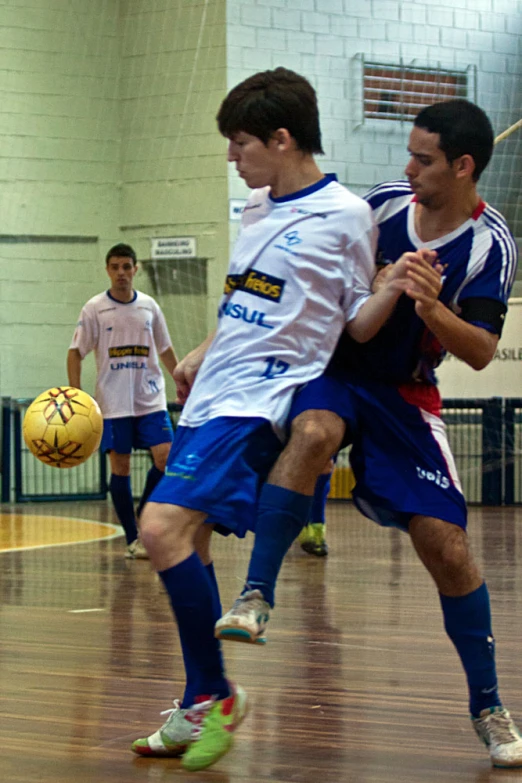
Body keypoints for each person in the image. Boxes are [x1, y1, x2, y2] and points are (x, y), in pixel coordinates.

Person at [214, 99, 522, 769]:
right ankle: (256, 593)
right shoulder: (376, 209)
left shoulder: (491, 243)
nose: (406, 168)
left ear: (464, 166)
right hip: (336, 367)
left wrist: (430, 306)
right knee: (316, 429)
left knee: (448, 546)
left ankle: (490, 705)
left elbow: (478, 351)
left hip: (406, 394)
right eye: (409, 153)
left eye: (423, 158)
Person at [129, 67, 420, 772]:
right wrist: (201, 349)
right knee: (187, 547)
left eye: (241, 143)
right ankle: (199, 699)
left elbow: (351, 323)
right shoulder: (255, 210)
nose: (233, 158)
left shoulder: (348, 215)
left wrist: (392, 287)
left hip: (260, 399)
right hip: (211, 393)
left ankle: (218, 696)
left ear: (282, 138)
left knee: (158, 527)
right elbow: (248, 304)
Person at [67, 242, 178, 559]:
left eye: (126, 267)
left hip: (150, 398)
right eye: (115, 267)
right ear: (107, 270)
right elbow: (75, 353)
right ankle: (133, 538)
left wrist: (182, 378)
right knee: (122, 466)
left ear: (135, 269)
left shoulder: (149, 306)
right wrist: (76, 395)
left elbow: (166, 348)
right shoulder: (94, 308)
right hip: (114, 402)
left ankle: (145, 520)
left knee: (166, 457)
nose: (121, 273)